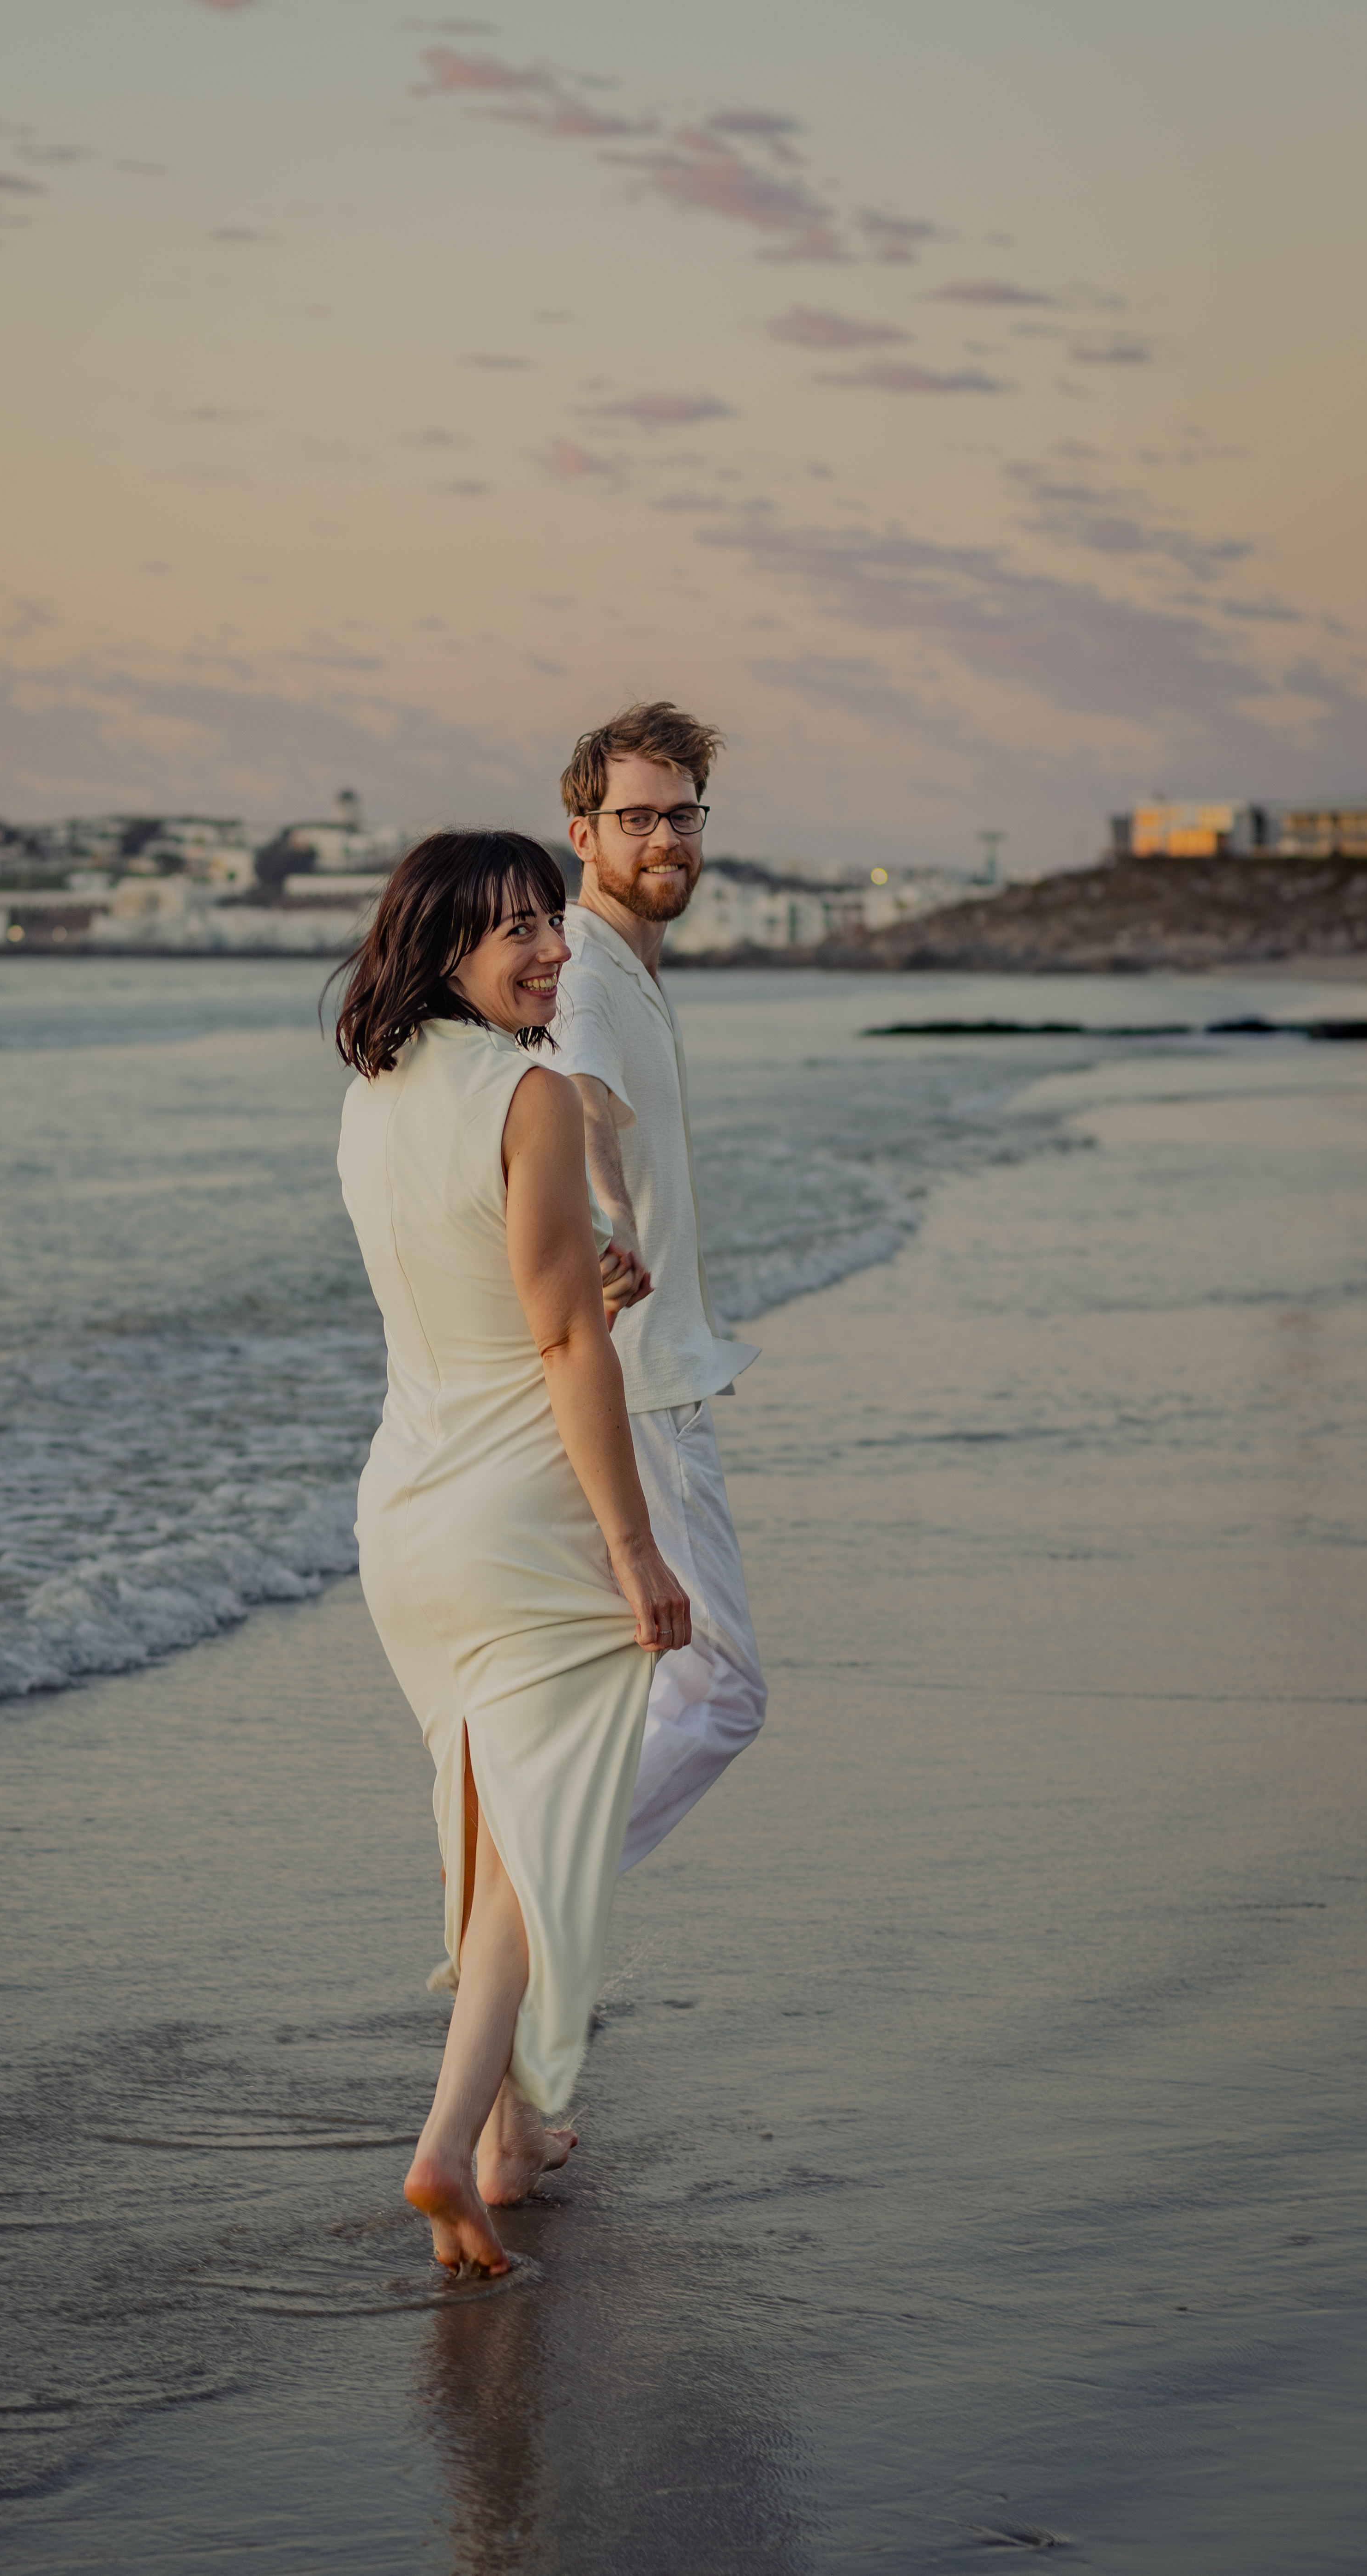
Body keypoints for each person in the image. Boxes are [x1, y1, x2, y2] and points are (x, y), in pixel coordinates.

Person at [335, 829, 690, 2276]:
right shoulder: (531, 1092)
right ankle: (448, 2142)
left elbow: (467, 1282)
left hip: (404, 1509)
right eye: (513, 932)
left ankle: (499, 2140)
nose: (551, 949)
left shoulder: (374, 1088)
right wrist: (636, 1547)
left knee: (489, 1830)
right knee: (528, 1858)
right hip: (519, 1520)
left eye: (552, 919)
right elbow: (554, 1341)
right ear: (443, 952)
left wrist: (575, 1292)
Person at [554, 702, 767, 1873]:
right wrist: (607, 1218)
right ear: (582, 832)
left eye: (682, 815)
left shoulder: (623, 965)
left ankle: (523, 1953)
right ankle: (533, 1909)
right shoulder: (586, 966)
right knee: (722, 1690)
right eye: (635, 818)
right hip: (641, 1386)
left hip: (628, 1377)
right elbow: (579, 1095)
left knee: (617, 1683)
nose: (666, 840)